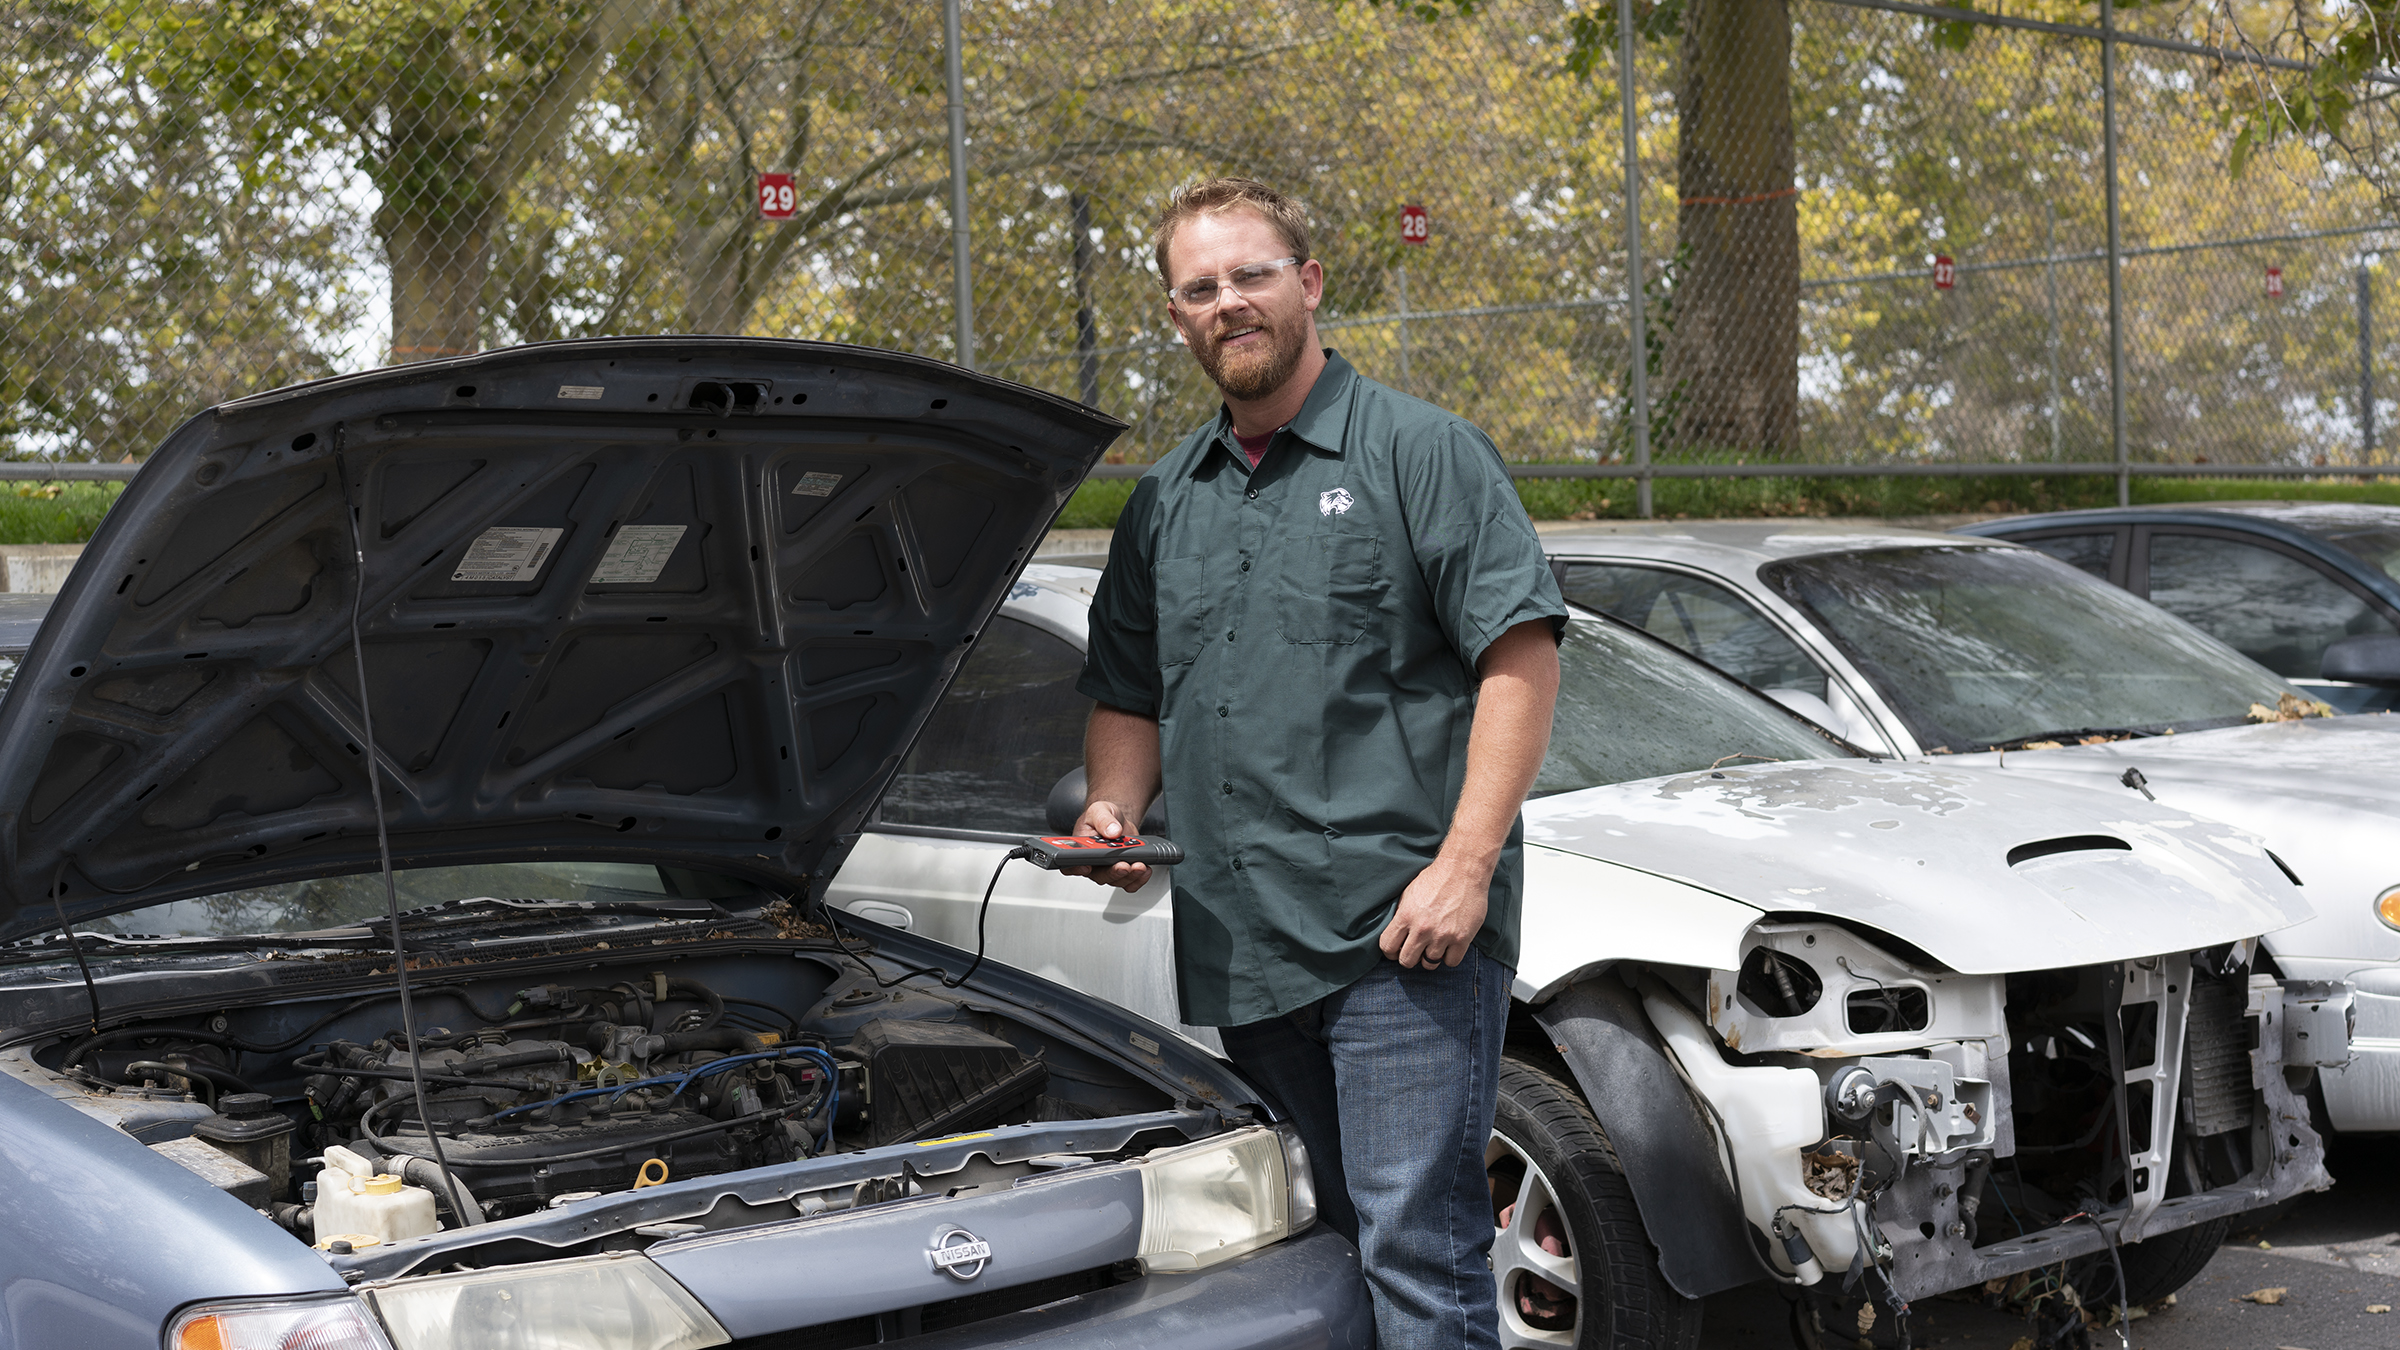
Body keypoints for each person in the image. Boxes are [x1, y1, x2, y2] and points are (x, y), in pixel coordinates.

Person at [1069, 177, 1564, 1350]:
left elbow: (1522, 657)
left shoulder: (1419, 452)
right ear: (1176, 317)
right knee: (1327, 1247)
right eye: (1201, 287)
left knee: (1418, 1249)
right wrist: (1111, 808)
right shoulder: (1163, 504)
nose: (1229, 302)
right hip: (1245, 948)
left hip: (1403, 942)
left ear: (1309, 284)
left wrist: (1464, 868)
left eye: (1251, 274)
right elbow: (1127, 695)